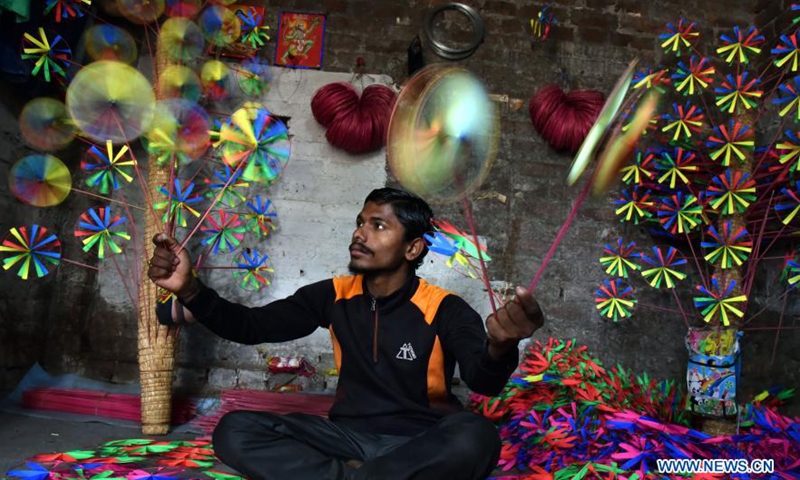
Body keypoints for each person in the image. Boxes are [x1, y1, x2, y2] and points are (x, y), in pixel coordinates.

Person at [148, 187, 545, 480]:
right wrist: (189, 289)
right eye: (360, 223)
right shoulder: (333, 295)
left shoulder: (444, 307)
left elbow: (483, 382)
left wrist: (500, 346)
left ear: (412, 249)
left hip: (417, 442)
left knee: (477, 436)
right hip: (344, 436)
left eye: (378, 226)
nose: (359, 234)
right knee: (235, 430)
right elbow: (251, 327)